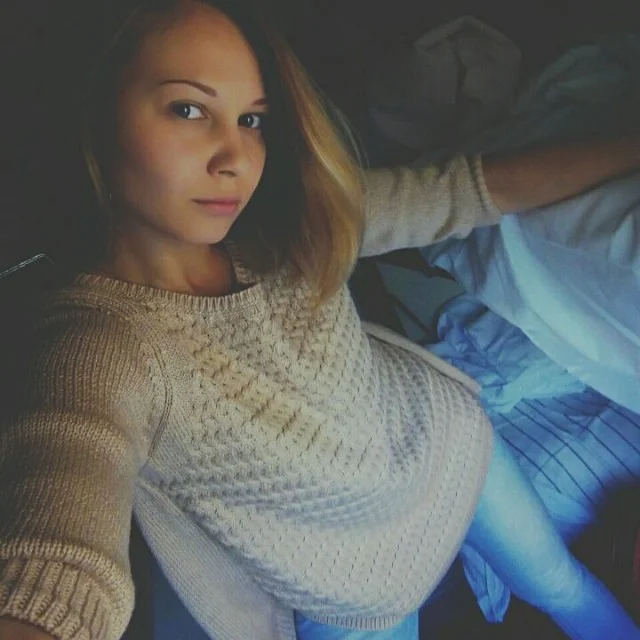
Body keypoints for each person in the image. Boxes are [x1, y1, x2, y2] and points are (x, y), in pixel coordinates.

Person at [0, 1, 639, 639]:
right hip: (353, 598)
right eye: (189, 110)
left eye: (251, 120)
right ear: (100, 119)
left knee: (568, 590)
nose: (234, 157)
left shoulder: (290, 224)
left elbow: (469, 190)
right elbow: (64, 538)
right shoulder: (96, 346)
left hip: (448, 451)